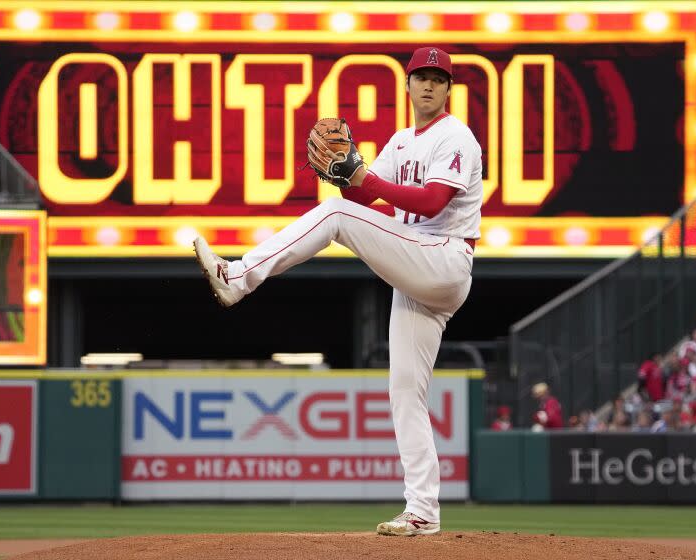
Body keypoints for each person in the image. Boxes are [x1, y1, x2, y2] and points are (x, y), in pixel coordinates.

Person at [193, 47, 481, 537]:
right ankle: (423, 512)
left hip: (445, 258)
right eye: (421, 77)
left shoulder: (457, 137)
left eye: (439, 78)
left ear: (449, 88)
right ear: (408, 85)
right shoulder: (400, 141)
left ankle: (239, 278)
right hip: (417, 269)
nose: (429, 85)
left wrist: (361, 180)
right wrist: (344, 172)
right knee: (405, 392)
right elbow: (366, 197)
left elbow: (432, 202)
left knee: (333, 216)